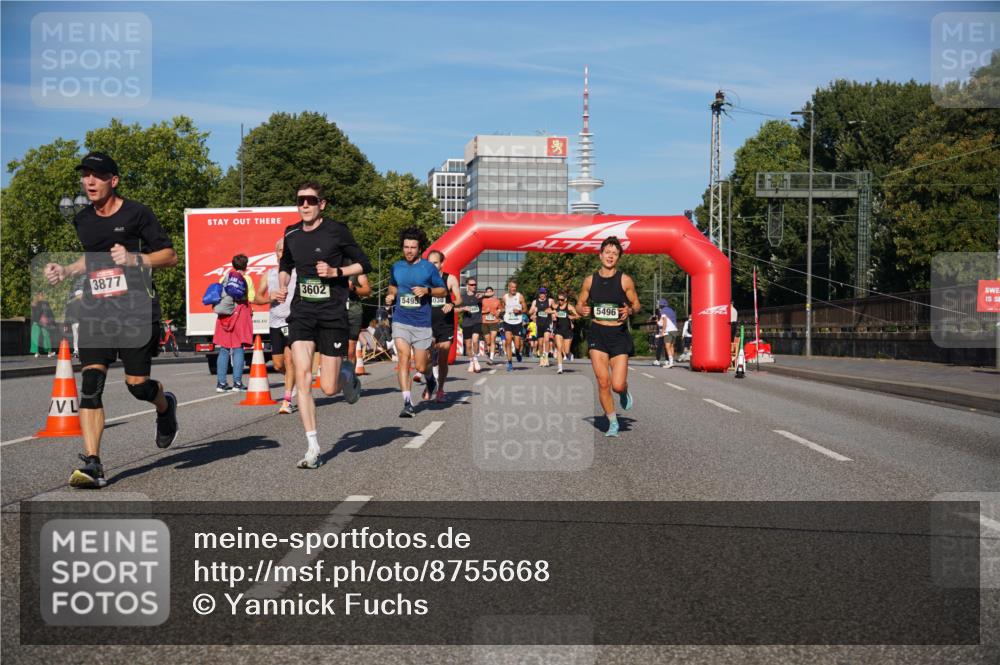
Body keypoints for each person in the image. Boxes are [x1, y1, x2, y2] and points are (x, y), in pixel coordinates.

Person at [44, 151, 179, 488]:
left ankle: (164, 405)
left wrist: (136, 257)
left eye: (97, 175)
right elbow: (91, 259)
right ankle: (93, 463)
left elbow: (170, 256)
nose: (89, 181)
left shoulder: (137, 214)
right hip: (97, 310)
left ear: (113, 181)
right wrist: (66, 269)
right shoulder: (84, 219)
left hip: (135, 310)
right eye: (85, 175)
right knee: (90, 385)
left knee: (137, 386)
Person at [275, 182, 370, 469]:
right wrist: (282, 285)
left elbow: (364, 264)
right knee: (302, 376)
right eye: (300, 200)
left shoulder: (336, 230)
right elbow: (286, 265)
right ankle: (313, 448)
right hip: (302, 313)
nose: (304, 205)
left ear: (322, 204)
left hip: (332, 314)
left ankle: (346, 374)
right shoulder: (290, 233)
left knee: (328, 388)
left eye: (310, 200)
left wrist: (336, 271)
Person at [576, 236, 641, 438]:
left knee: (617, 384)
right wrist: (582, 310)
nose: (610, 256)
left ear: (618, 257)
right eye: (607, 252)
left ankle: (623, 391)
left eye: (614, 253)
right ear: (600, 255)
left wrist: (629, 310)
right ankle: (612, 422)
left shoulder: (625, 280)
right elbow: (579, 304)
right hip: (597, 333)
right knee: (603, 381)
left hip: (618, 335)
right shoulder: (590, 280)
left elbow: (637, 305)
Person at [385, 227, 446, 417]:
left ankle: (429, 378)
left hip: (421, 324)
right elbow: (393, 286)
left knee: (420, 366)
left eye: (413, 247)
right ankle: (407, 403)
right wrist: (390, 295)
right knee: (403, 357)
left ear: (420, 249)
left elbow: (443, 291)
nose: (409, 250)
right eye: (406, 247)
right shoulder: (397, 267)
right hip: (401, 320)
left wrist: (427, 291)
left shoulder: (428, 268)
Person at [255, 237, 297, 413]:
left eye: (285, 251)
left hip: (294, 321)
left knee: (289, 359)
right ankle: (293, 379)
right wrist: (268, 298)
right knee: (279, 365)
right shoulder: (269, 274)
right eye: (280, 251)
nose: (282, 254)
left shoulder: (298, 273)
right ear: (276, 254)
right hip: (275, 323)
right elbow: (256, 298)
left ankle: (287, 400)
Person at [213, 254, 255, 392]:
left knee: (224, 349)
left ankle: (221, 383)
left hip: (224, 316)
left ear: (233, 265)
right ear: (246, 265)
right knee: (238, 348)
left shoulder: (224, 277)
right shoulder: (247, 279)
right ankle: (237, 383)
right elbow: (252, 298)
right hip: (240, 315)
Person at [427, 250, 462, 402]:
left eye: (435, 262)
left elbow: (459, 299)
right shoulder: (423, 280)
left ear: (442, 263)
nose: (432, 265)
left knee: (442, 358)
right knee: (426, 358)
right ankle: (429, 382)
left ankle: (440, 389)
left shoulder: (450, 279)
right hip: (427, 324)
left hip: (445, 324)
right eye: (430, 262)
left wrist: (452, 303)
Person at [500, 279, 527, 372]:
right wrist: (501, 310)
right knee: (508, 341)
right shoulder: (504, 297)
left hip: (517, 322)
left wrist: (519, 311)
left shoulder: (520, 296)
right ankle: (510, 362)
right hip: (507, 321)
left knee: (517, 344)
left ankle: (518, 352)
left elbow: (525, 309)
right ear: (508, 287)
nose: (513, 289)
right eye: (512, 287)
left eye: (515, 287)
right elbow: (502, 307)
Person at [552, 291, 580, 374]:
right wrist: (553, 312)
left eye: (561, 300)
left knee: (566, 351)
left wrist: (572, 316)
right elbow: (546, 310)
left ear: (565, 299)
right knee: (559, 348)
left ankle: (569, 354)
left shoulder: (569, 307)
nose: (560, 301)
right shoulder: (556, 306)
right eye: (558, 299)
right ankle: (560, 368)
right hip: (558, 330)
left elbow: (578, 316)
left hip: (567, 331)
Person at [459, 277, 483, 373]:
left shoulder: (478, 295)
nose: (474, 286)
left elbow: (491, 293)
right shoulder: (463, 297)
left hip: (477, 321)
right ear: (467, 286)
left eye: (475, 284)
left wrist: (483, 294)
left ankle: (476, 359)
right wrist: (463, 308)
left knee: (475, 340)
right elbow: (456, 309)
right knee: (468, 345)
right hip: (466, 323)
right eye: (472, 285)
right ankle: (471, 362)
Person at [529, 287, 555, 367]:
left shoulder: (550, 301)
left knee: (546, 340)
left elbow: (556, 309)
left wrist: (552, 313)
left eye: (543, 293)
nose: (542, 295)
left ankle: (546, 358)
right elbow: (530, 312)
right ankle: (541, 358)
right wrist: (534, 310)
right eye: (541, 293)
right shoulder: (535, 302)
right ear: (539, 294)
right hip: (539, 324)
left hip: (547, 323)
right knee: (540, 344)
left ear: (546, 294)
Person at [30, 293, 56, 358]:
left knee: (35, 337)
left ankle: (36, 353)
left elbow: (33, 314)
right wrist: (53, 322)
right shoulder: (45, 303)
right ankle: (49, 352)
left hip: (35, 322)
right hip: (43, 322)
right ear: (41, 296)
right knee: (46, 336)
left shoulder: (33, 303)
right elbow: (49, 313)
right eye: (43, 295)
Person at [480, 286, 501, 365]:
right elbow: (479, 310)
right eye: (487, 291)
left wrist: (498, 312)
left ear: (493, 292)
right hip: (485, 322)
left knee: (493, 340)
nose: (489, 293)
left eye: (490, 291)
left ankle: (491, 358)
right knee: (488, 341)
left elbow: (500, 309)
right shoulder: (482, 300)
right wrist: (485, 311)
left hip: (494, 322)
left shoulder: (497, 301)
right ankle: (489, 353)